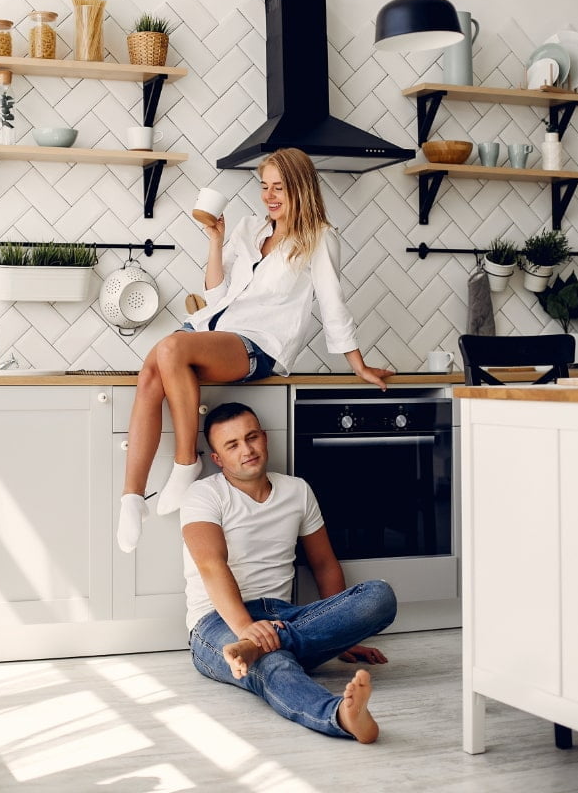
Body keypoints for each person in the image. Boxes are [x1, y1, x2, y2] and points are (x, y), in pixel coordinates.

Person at [117, 147, 394, 552]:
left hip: (261, 344)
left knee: (171, 347)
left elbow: (333, 303)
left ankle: (186, 463)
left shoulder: (319, 238)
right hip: (216, 330)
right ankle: (131, 497)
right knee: (151, 372)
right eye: (264, 186)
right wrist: (216, 241)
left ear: (300, 187)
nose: (269, 196)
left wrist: (358, 364)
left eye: (279, 187)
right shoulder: (250, 228)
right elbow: (217, 295)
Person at [181, 401, 398, 742]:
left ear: (265, 438)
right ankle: (340, 717)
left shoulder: (297, 490)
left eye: (252, 437)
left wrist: (341, 635)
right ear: (218, 459)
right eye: (232, 445)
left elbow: (324, 563)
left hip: (284, 618)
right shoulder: (203, 495)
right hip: (217, 622)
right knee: (273, 663)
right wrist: (246, 630)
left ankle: (261, 645)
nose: (247, 450)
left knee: (379, 596)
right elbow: (211, 565)